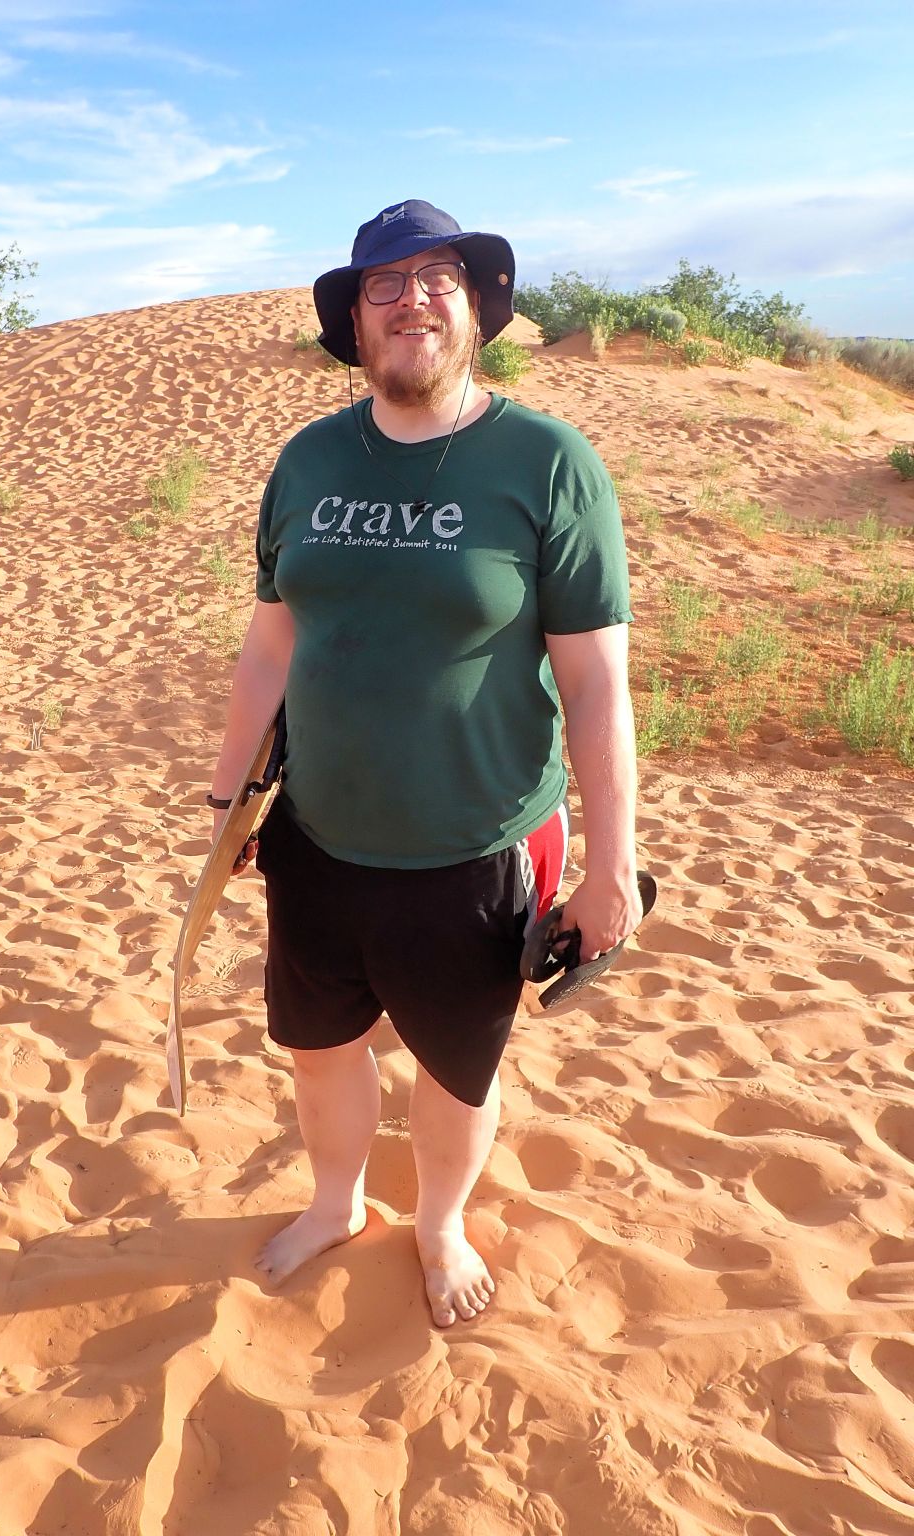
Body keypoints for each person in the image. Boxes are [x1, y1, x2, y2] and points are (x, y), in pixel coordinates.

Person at [208, 199, 642, 1328]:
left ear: (477, 310)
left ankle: (439, 1221)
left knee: (456, 1073)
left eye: (438, 278)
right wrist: (227, 792)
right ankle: (338, 1201)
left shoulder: (546, 462)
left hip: (475, 844)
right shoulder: (307, 458)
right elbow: (271, 641)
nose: (413, 301)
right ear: (354, 321)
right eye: (384, 285)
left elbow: (596, 682)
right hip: (316, 833)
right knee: (321, 1050)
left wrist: (609, 866)